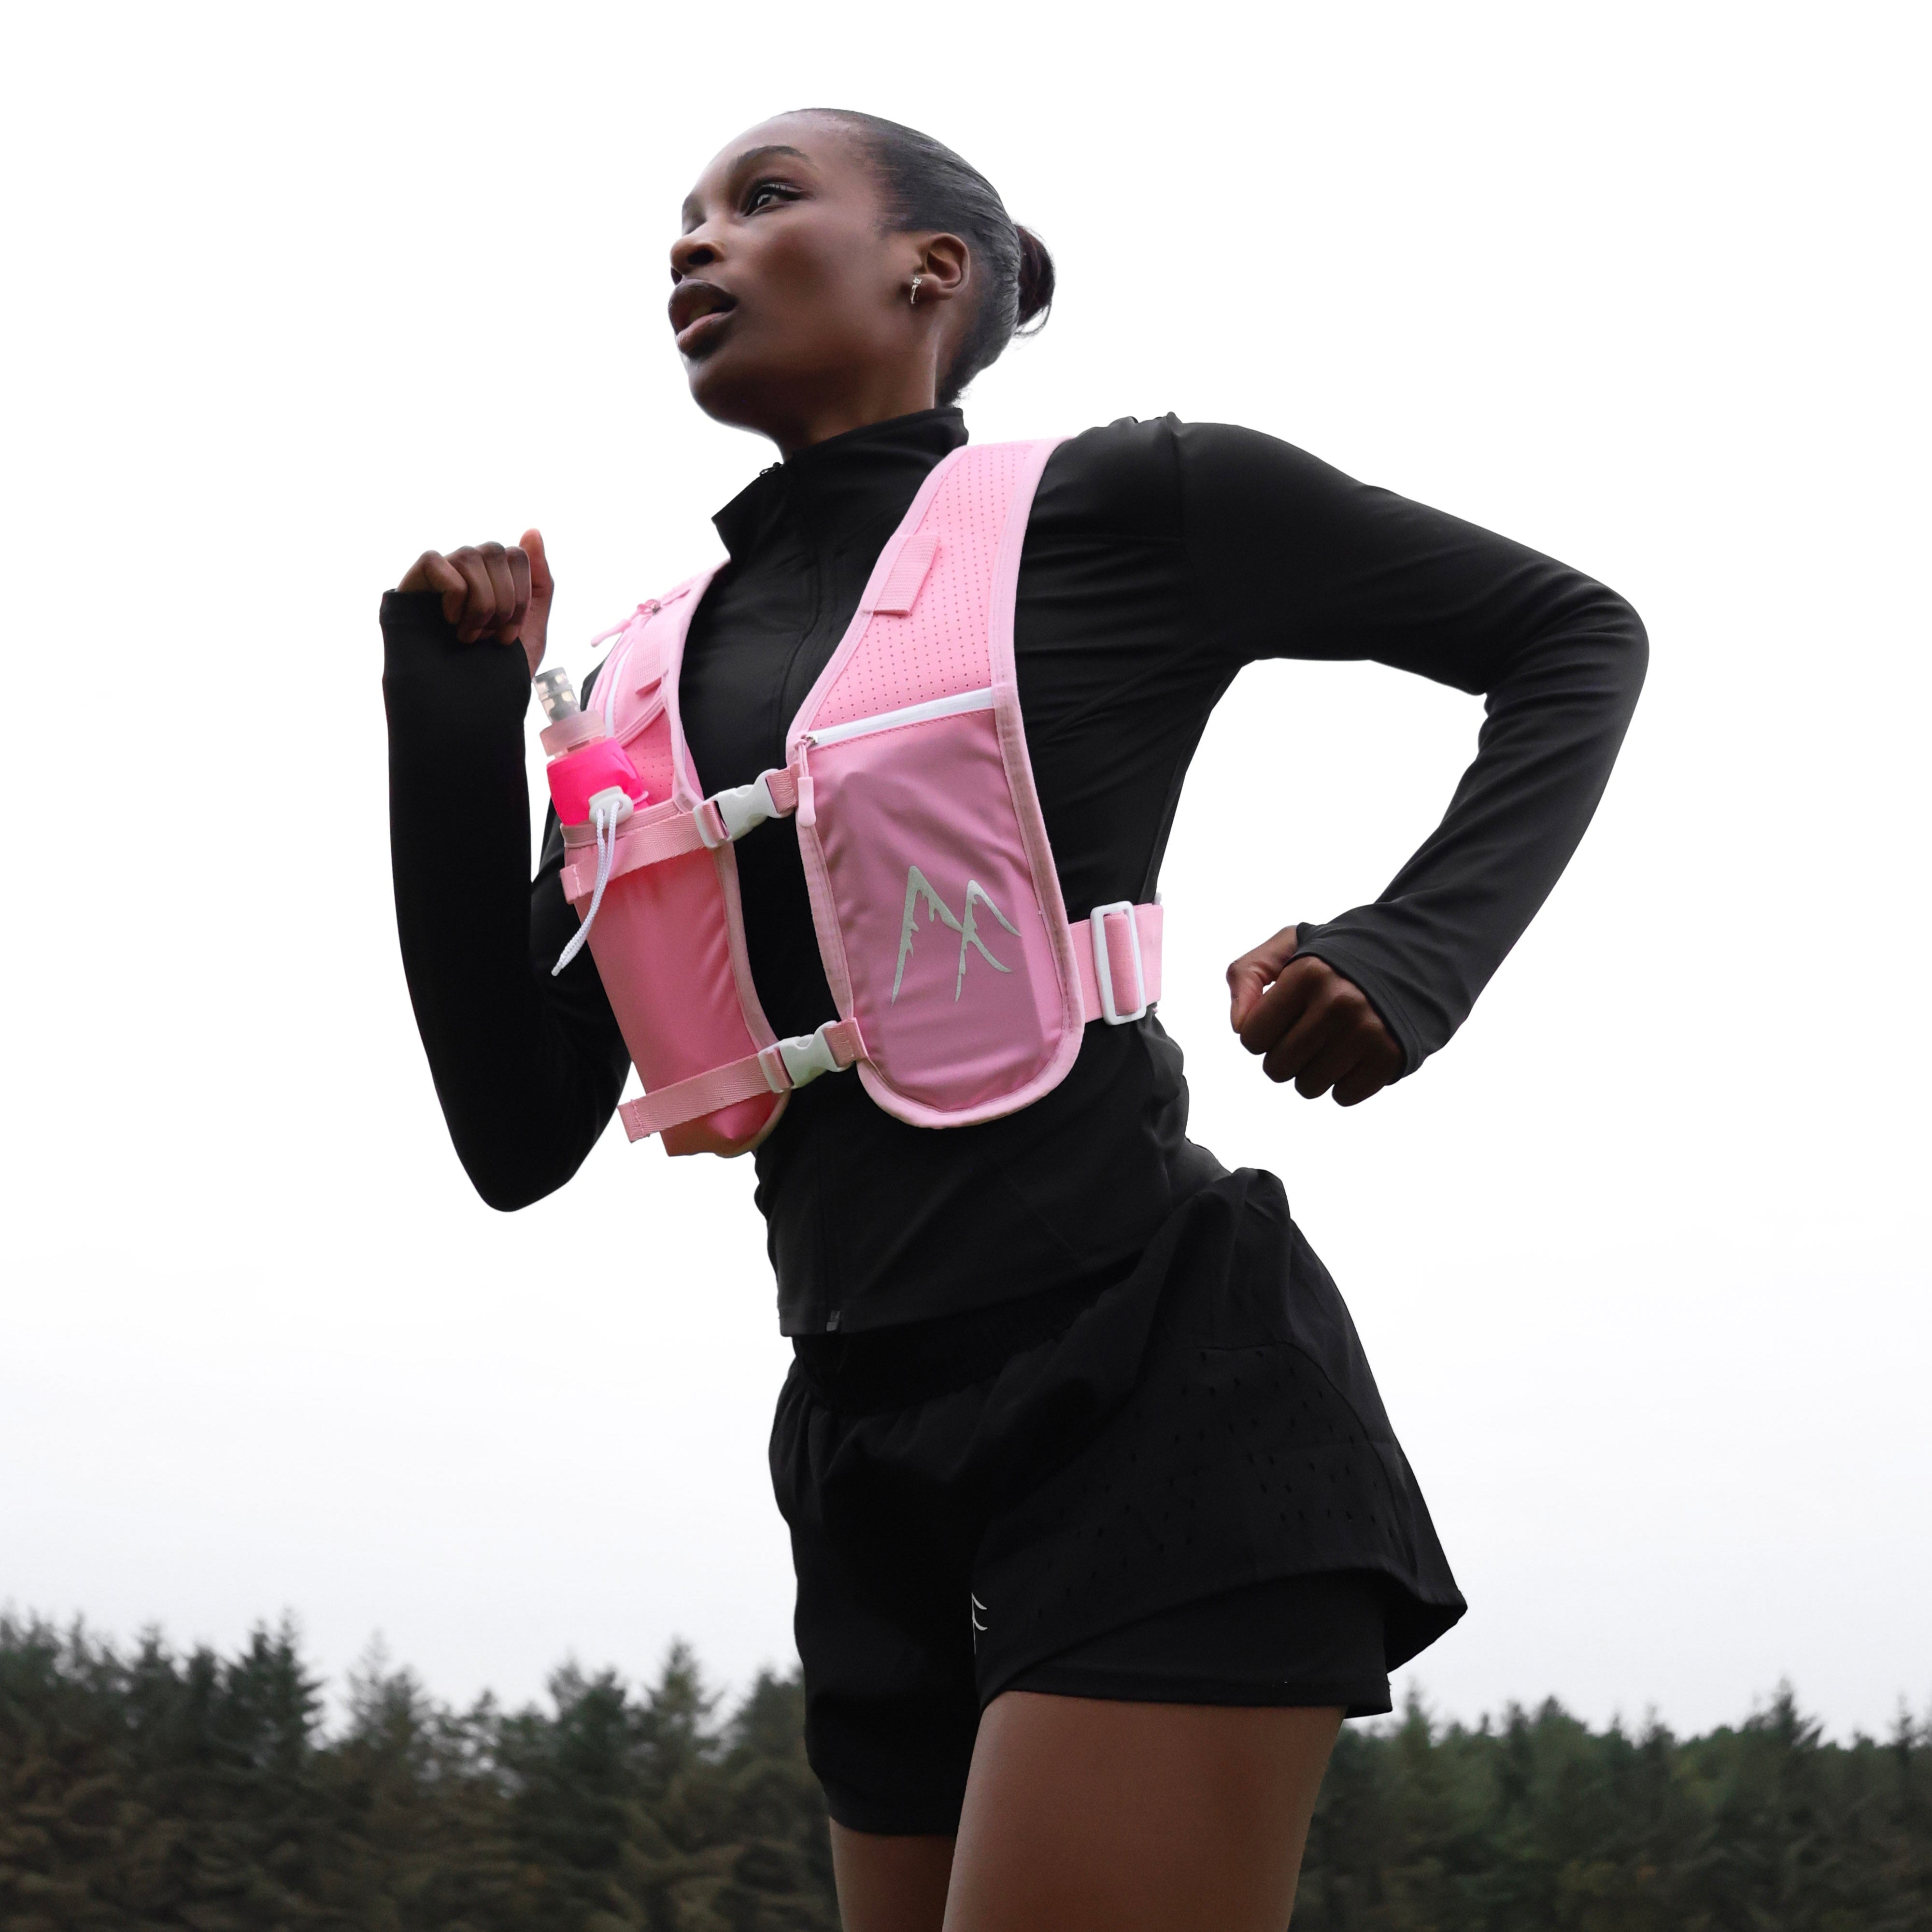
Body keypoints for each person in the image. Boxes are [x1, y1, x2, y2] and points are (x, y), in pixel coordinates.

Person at [381, 109, 1646, 1932]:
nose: (698, 244)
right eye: (683, 218)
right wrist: (446, 723)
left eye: (763, 199)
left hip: (1156, 1389)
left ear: (933, 271)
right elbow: (517, 1135)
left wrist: (1415, 952)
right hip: (859, 1451)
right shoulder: (647, 679)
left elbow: (1574, 637)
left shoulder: (1138, 501)